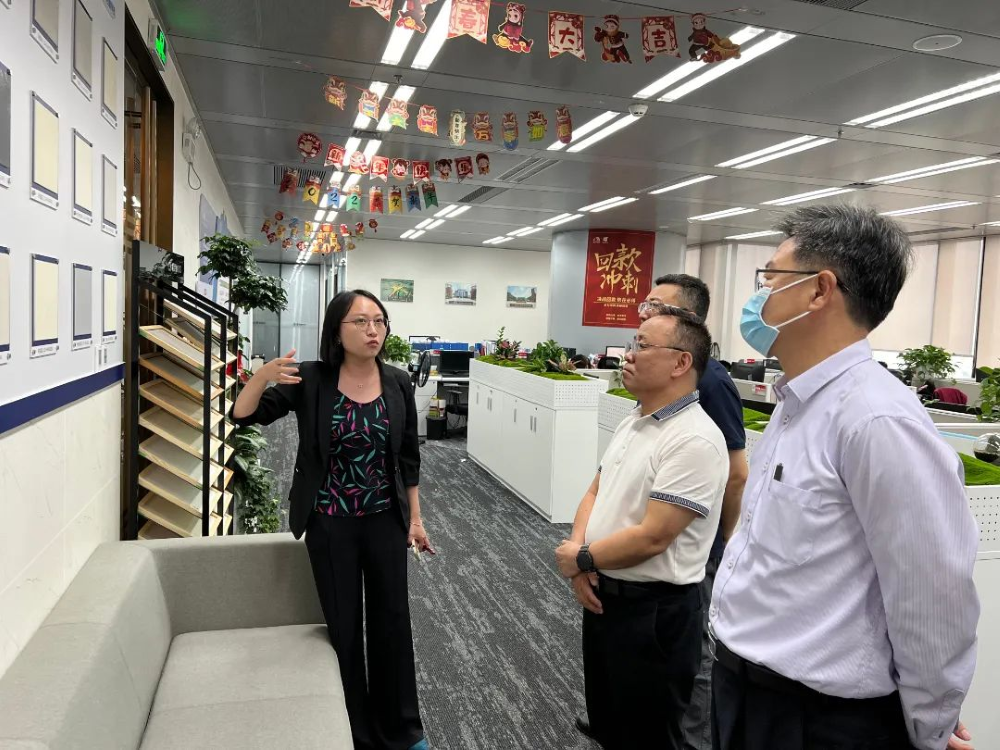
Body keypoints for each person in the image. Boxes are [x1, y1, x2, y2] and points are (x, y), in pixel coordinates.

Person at [711, 204, 979, 750]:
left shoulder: (877, 419)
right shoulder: (797, 401)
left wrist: (930, 725)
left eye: (770, 277)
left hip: (816, 719)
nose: (758, 296)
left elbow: (932, 595)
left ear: (819, 290)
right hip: (743, 690)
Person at [232, 289, 432, 750]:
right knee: (344, 626)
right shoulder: (312, 378)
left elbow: (408, 458)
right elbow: (244, 415)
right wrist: (261, 375)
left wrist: (416, 520)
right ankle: (355, 731)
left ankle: (401, 729)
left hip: (384, 519)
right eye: (361, 322)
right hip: (329, 521)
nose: (373, 331)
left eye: (379, 321)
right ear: (337, 331)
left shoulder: (398, 381)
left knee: (392, 623)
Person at [555, 307, 729, 750]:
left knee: (648, 734)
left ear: (681, 363)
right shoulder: (635, 420)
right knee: (609, 723)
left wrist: (582, 558)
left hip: (655, 615)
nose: (627, 355)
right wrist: (580, 556)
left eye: (643, 346)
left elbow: (655, 536)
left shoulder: (694, 439)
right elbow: (595, 491)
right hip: (606, 599)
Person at [637, 275, 749, 750]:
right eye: (645, 303)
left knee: (695, 652)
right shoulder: (656, 373)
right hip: (661, 533)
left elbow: (736, 472)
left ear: (690, 320)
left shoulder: (712, 381)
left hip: (696, 545)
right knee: (652, 643)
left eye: (657, 305)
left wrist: (724, 544)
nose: (645, 311)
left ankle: (694, 741)